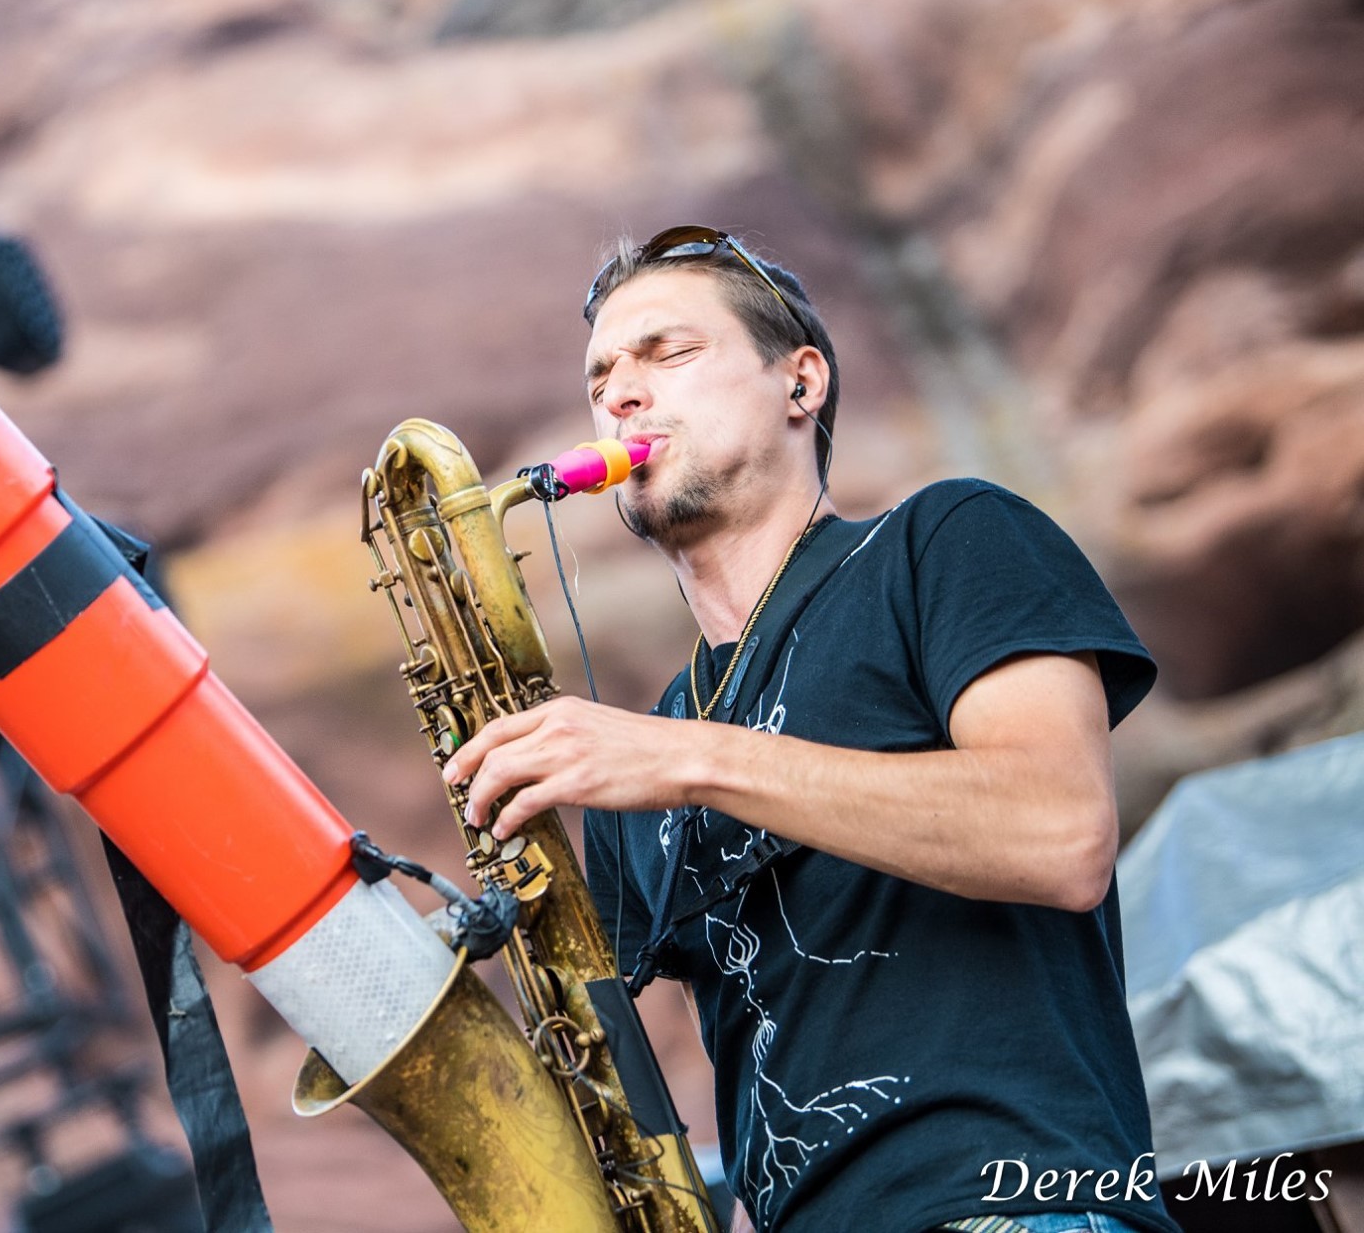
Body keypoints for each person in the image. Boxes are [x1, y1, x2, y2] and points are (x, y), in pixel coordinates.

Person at [441, 227, 1178, 1233]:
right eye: (601, 375)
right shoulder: (637, 751)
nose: (618, 394)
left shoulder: (944, 542)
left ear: (801, 384)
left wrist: (690, 760)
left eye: (668, 353)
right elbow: (609, 1074)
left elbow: (1058, 835)